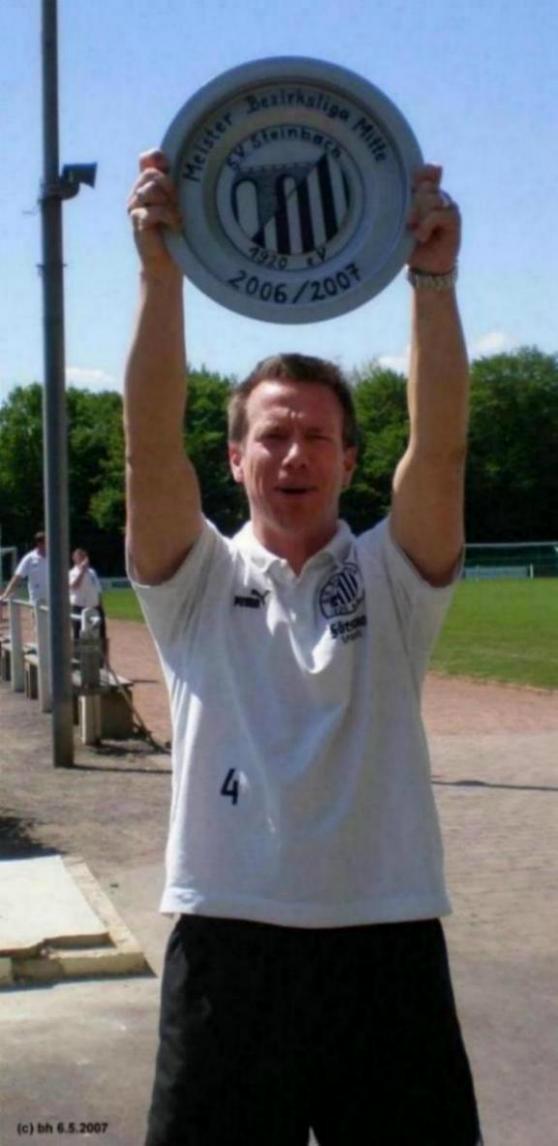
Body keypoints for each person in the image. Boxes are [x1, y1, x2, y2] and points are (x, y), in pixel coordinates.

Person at [125, 148, 482, 1146]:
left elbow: (441, 447)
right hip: (227, 943)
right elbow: (149, 447)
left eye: (318, 438)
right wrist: (161, 276)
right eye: (273, 436)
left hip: (387, 944)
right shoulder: (194, 582)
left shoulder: (392, 578)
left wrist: (435, 283)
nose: (294, 455)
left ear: (351, 461)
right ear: (234, 457)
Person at [68, 547, 107, 658]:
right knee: (78, 634)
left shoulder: (92, 572)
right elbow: (74, 586)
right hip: (79, 607)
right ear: (74, 559)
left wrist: (101, 607)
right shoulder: (72, 572)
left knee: (100, 634)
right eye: (79, 557)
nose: (83, 559)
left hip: (95, 607)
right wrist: (82, 571)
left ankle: (101, 660)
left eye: (83, 556)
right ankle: (78, 659)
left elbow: (98, 590)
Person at [0, 531, 48, 607]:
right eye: (46, 542)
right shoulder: (29, 558)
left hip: (53, 600)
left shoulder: (54, 557)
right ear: (39, 544)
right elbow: (17, 577)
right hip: (37, 602)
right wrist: (5, 595)